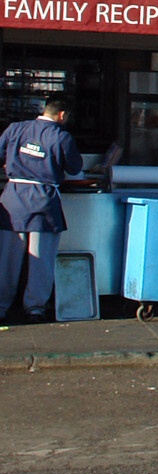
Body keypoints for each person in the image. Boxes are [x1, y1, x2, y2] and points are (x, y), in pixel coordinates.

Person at [0, 93, 83, 321]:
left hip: (13, 198)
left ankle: (1, 306)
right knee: (41, 258)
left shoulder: (15, 129)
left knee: (7, 258)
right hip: (43, 201)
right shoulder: (61, 137)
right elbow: (75, 168)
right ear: (62, 115)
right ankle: (35, 309)